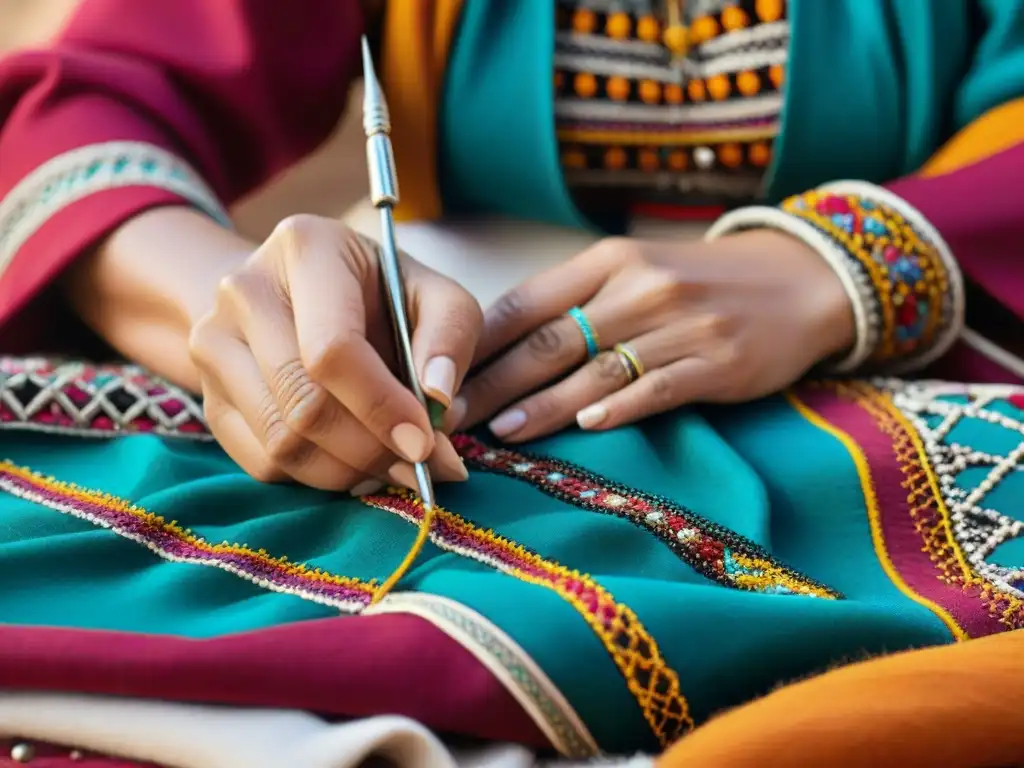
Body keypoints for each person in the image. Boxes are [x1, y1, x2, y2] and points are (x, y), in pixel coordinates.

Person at [0, 0, 1022, 765]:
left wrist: (847, 268)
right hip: (447, 376)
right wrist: (231, 319)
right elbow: (93, 99)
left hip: (924, 389)